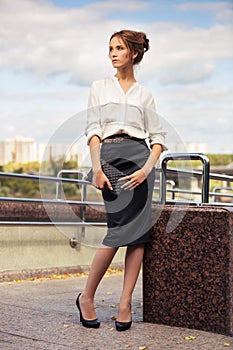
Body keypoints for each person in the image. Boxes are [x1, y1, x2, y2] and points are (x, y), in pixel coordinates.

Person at [76, 29, 167, 331]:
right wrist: (97, 168)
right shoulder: (99, 87)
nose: (112, 53)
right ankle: (86, 298)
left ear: (135, 53)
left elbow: (158, 139)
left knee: (138, 234)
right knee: (117, 231)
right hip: (110, 158)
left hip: (141, 161)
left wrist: (146, 169)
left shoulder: (145, 95)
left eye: (119, 48)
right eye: (110, 48)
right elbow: (93, 130)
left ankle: (125, 304)